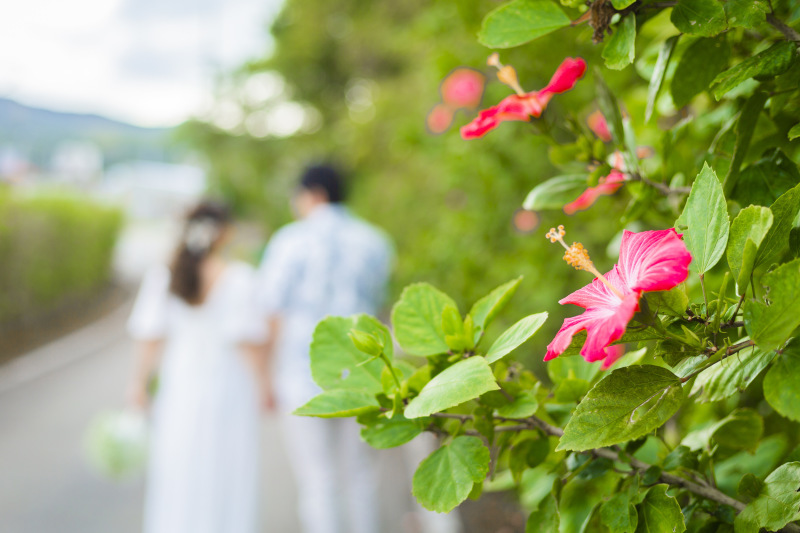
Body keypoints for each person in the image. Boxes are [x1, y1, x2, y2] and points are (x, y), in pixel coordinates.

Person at [257, 164, 393, 533]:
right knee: (362, 476)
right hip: (364, 375)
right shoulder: (375, 241)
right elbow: (379, 304)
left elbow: (271, 311)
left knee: (318, 479)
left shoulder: (288, 241)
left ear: (313, 193)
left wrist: (264, 378)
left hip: (302, 373)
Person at [127, 201, 269, 533]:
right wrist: (263, 385)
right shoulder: (239, 278)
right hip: (229, 383)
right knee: (228, 464)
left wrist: (137, 383)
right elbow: (247, 342)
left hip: (181, 382)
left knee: (179, 462)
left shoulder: (166, 274)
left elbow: (149, 335)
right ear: (225, 233)